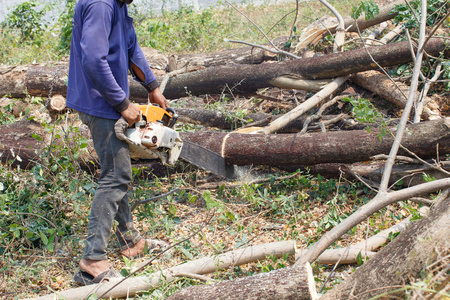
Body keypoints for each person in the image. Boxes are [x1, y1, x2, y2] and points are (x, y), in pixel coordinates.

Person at [67, 0, 168, 285]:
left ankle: (129, 241)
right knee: (115, 176)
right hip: (98, 102)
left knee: (117, 170)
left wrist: (153, 86)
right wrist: (123, 103)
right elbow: (92, 59)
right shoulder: (102, 4)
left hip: (105, 101)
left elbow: (131, 47)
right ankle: (92, 261)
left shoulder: (119, 5)